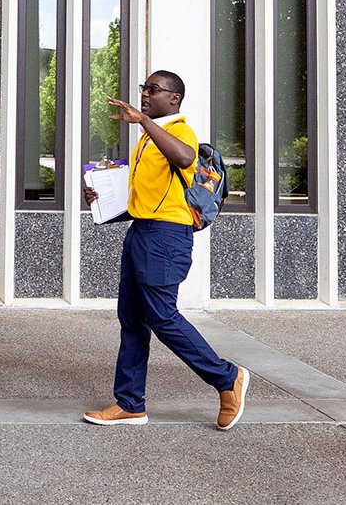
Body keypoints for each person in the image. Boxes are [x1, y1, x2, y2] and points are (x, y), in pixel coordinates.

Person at [82, 70, 250, 430]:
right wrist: (99, 198)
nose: (144, 94)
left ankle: (227, 377)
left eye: (153, 90)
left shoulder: (178, 130)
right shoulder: (144, 142)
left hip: (167, 237)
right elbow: (147, 197)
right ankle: (130, 404)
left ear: (173, 98)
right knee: (132, 319)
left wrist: (142, 120)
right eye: (143, 88)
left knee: (163, 316)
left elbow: (186, 158)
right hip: (141, 231)